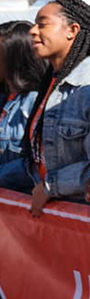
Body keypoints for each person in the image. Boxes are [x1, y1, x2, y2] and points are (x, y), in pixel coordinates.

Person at [25, 0, 90, 216]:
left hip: (89, 221)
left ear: (72, 31)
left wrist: (50, 186)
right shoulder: (52, 86)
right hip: (58, 220)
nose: (33, 31)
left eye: (42, 24)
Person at [0, 21, 48, 190]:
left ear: (16, 58)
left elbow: (36, 164)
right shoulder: (5, 99)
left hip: (26, 206)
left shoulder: (34, 102)